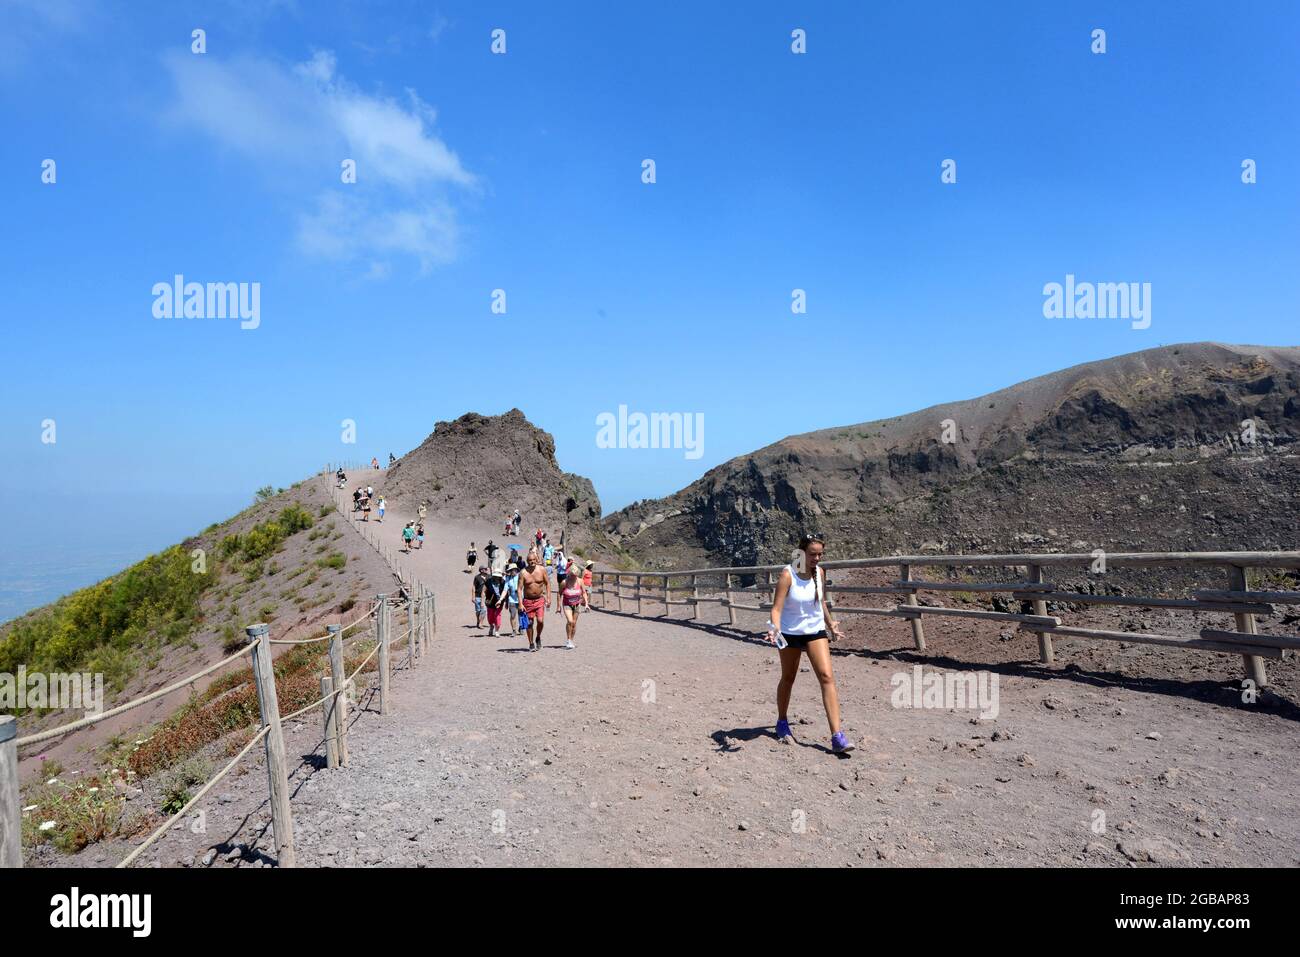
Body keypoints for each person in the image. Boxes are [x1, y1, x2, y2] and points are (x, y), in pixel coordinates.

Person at [766, 535, 854, 754]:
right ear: (802, 553)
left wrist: (830, 623)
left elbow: (820, 601)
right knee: (788, 678)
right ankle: (782, 721)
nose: (817, 558)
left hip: (815, 631)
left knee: (827, 676)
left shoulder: (819, 572)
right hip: (789, 633)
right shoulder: (788, 575)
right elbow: (776, 608)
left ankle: (837, 736)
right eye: (812, 554)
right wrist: (774, 628)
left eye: (820, 554)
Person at [519, 548, 549, 651]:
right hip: (527, 601)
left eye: (533, 560)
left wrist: (548, 597)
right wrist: (520, 603)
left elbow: (547, 583)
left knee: (540, 621)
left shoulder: (542, 570)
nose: (532, 562)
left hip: (539, 599)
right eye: (529, 560)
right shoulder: (523, 573)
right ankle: (531, 643)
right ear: (527, 561)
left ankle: (538, 637)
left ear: (536, 560)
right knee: (530, 623)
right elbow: (519, 589)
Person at [559, 563, 589, 650]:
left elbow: (584, 592)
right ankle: (568, 640)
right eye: (572, 574)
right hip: (567, 604)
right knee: (570, 621)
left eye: (575, 575)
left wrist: (586, 603)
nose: (574, 576)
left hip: (577, 604)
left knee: (574, 623)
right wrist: (558, 606)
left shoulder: (580, 581)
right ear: (569, 573)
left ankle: (571, 640)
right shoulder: (564, 582)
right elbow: (559, 593)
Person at [484, 569, 507, 637]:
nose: (497, 577)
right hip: (490, 601)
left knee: (497, 616)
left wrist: (506, 602)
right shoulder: (488, 581)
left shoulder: (503, 582)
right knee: (490, 616)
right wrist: (483, 600)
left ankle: (497, 630)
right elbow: (484, 590)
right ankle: (491, 626)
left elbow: (505, 592)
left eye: (498, 576)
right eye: (495, 576)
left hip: (499, 602)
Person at [503, 564, 521, 635]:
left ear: (516, 570)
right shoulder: (508, 578)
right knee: (513, 615)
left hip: (520, 599)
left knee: (521, 615)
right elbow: (505, 589)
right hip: (512, 599)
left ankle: (521, 627)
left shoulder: (520, 576)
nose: (512, 571)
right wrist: (504, 601)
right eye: (511, 570)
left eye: (513, 570)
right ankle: (514, 630)